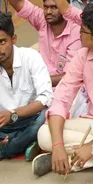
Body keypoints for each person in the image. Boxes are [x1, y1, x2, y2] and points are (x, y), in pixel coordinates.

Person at [33, 4, 93, 177]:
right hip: (92, 123)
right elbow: (62, 99)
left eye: (83, 30)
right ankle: (87, 158)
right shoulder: (82, 56)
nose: (79, 33)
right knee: (45, 134)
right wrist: (57, 146)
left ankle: (72, 162)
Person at [2, 0, 81, 85]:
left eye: (54, 7)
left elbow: (69, 77)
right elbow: (18, 1)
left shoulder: (77, 33)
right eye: (46, 7)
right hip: (40, 84)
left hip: (64, 91)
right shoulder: (42, 20)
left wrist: (36, 81)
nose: (49, 11)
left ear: (64, 7)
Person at [0, 12, 52, 160]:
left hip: (31, 118)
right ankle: (22, 143)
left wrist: (13, 114)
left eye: (2, 42)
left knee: (44, 120)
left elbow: (45, 98)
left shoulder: (30, 57)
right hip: (5, 124)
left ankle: (7, 149)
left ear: (13, 39)